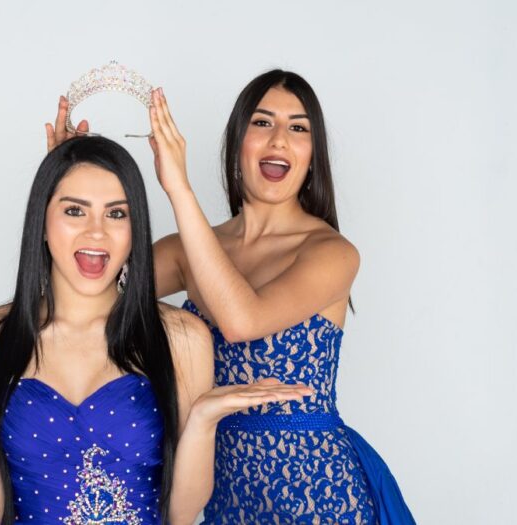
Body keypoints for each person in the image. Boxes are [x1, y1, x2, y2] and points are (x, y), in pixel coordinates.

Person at [0, 136, 312, 524]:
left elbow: (181, 515)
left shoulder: (182, 338)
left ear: (135, 229)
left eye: (116, 214)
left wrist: (201, 422)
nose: (97, 232)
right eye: (75, 211)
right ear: (42, 220)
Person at [146, 71, 415, 524]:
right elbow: (88, 293)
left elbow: (241, 322)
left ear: (313, 154)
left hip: (319, 494)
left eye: (298, 127)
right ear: (238, 141)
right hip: (223, 493)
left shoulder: (332, 252)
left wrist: (179, 188)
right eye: (262, 122)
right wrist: (67, 172)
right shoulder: (189, 249)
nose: (279, 140)